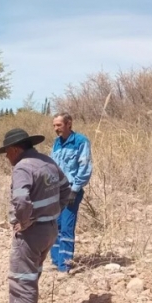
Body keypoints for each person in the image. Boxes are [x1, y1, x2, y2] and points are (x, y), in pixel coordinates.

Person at [0, 129, 72, 303]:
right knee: (32, 274)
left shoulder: (22, 167)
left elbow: (20, 200)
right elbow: (66, 190)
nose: (7, 158)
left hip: (32, 233)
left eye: (7, 153)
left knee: (22, 277)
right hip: (50, 229)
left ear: (15, 149)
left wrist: (24, 222)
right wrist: (53, 212)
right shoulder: (47, 162)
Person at [49, 112, 93, 273]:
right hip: (55, 190)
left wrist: (74, 190)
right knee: (54, 225)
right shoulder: (56, 143)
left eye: (59, 125)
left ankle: (65, 265)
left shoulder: (81, 142)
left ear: (69, 124)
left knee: (66, 226)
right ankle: (55, 261)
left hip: (70, 190)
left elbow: (85, 168)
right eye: (54, 125)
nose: (56, 129)